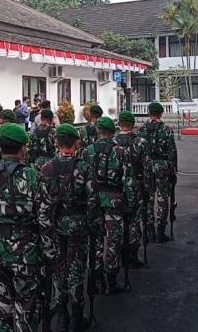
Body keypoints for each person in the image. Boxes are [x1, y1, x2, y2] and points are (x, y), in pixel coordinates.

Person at [0, 123, 55, 331]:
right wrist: (49, 253)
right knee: (26, 306)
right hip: (26, 253)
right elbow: (44, 220)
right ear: (23, 148)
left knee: (2, 305)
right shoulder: (33, 177)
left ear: (0, 147)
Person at [42, 123, 98, 330]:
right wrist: (94, 225)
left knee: (59, 267)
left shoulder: (47, 168)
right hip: (79, 223)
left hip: (56, 224)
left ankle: (62, 315)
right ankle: (76, 315)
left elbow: (43, 203)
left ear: (56, 143)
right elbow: (92, 200)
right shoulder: (83, 167)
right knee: (76, 268)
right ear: (76, 142)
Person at [81, 116, 135, 294]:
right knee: (113, 240)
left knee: (95, 240)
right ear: (113, 132)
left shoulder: (87, 151)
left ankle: (97, 279)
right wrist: (131, 203)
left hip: (93, 199)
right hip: (114, 199)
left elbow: (83, 178)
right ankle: (111, 280)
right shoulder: (120, 151)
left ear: (98, 131)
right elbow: (128, 180)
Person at [138, 101, 177, 243]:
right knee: (162, 198)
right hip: (162, 166)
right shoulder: (166, 130)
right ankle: (160, 231)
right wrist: (173, 171)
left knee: (148, 198)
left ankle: (149, 230)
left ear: (149, 113)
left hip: (146, 166)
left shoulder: (141, 130)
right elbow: (172, 152)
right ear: (161, 113)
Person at [115, 110, 147, 267]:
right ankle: (133, 254)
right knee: (134, 221)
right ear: (133, 125)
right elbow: (147, 168)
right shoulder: (140, 142)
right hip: (136, 184)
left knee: (117, 221)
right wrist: (148, 189)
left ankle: (118, 253)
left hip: (114, 188)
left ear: (119, 123)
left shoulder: (112, 142)